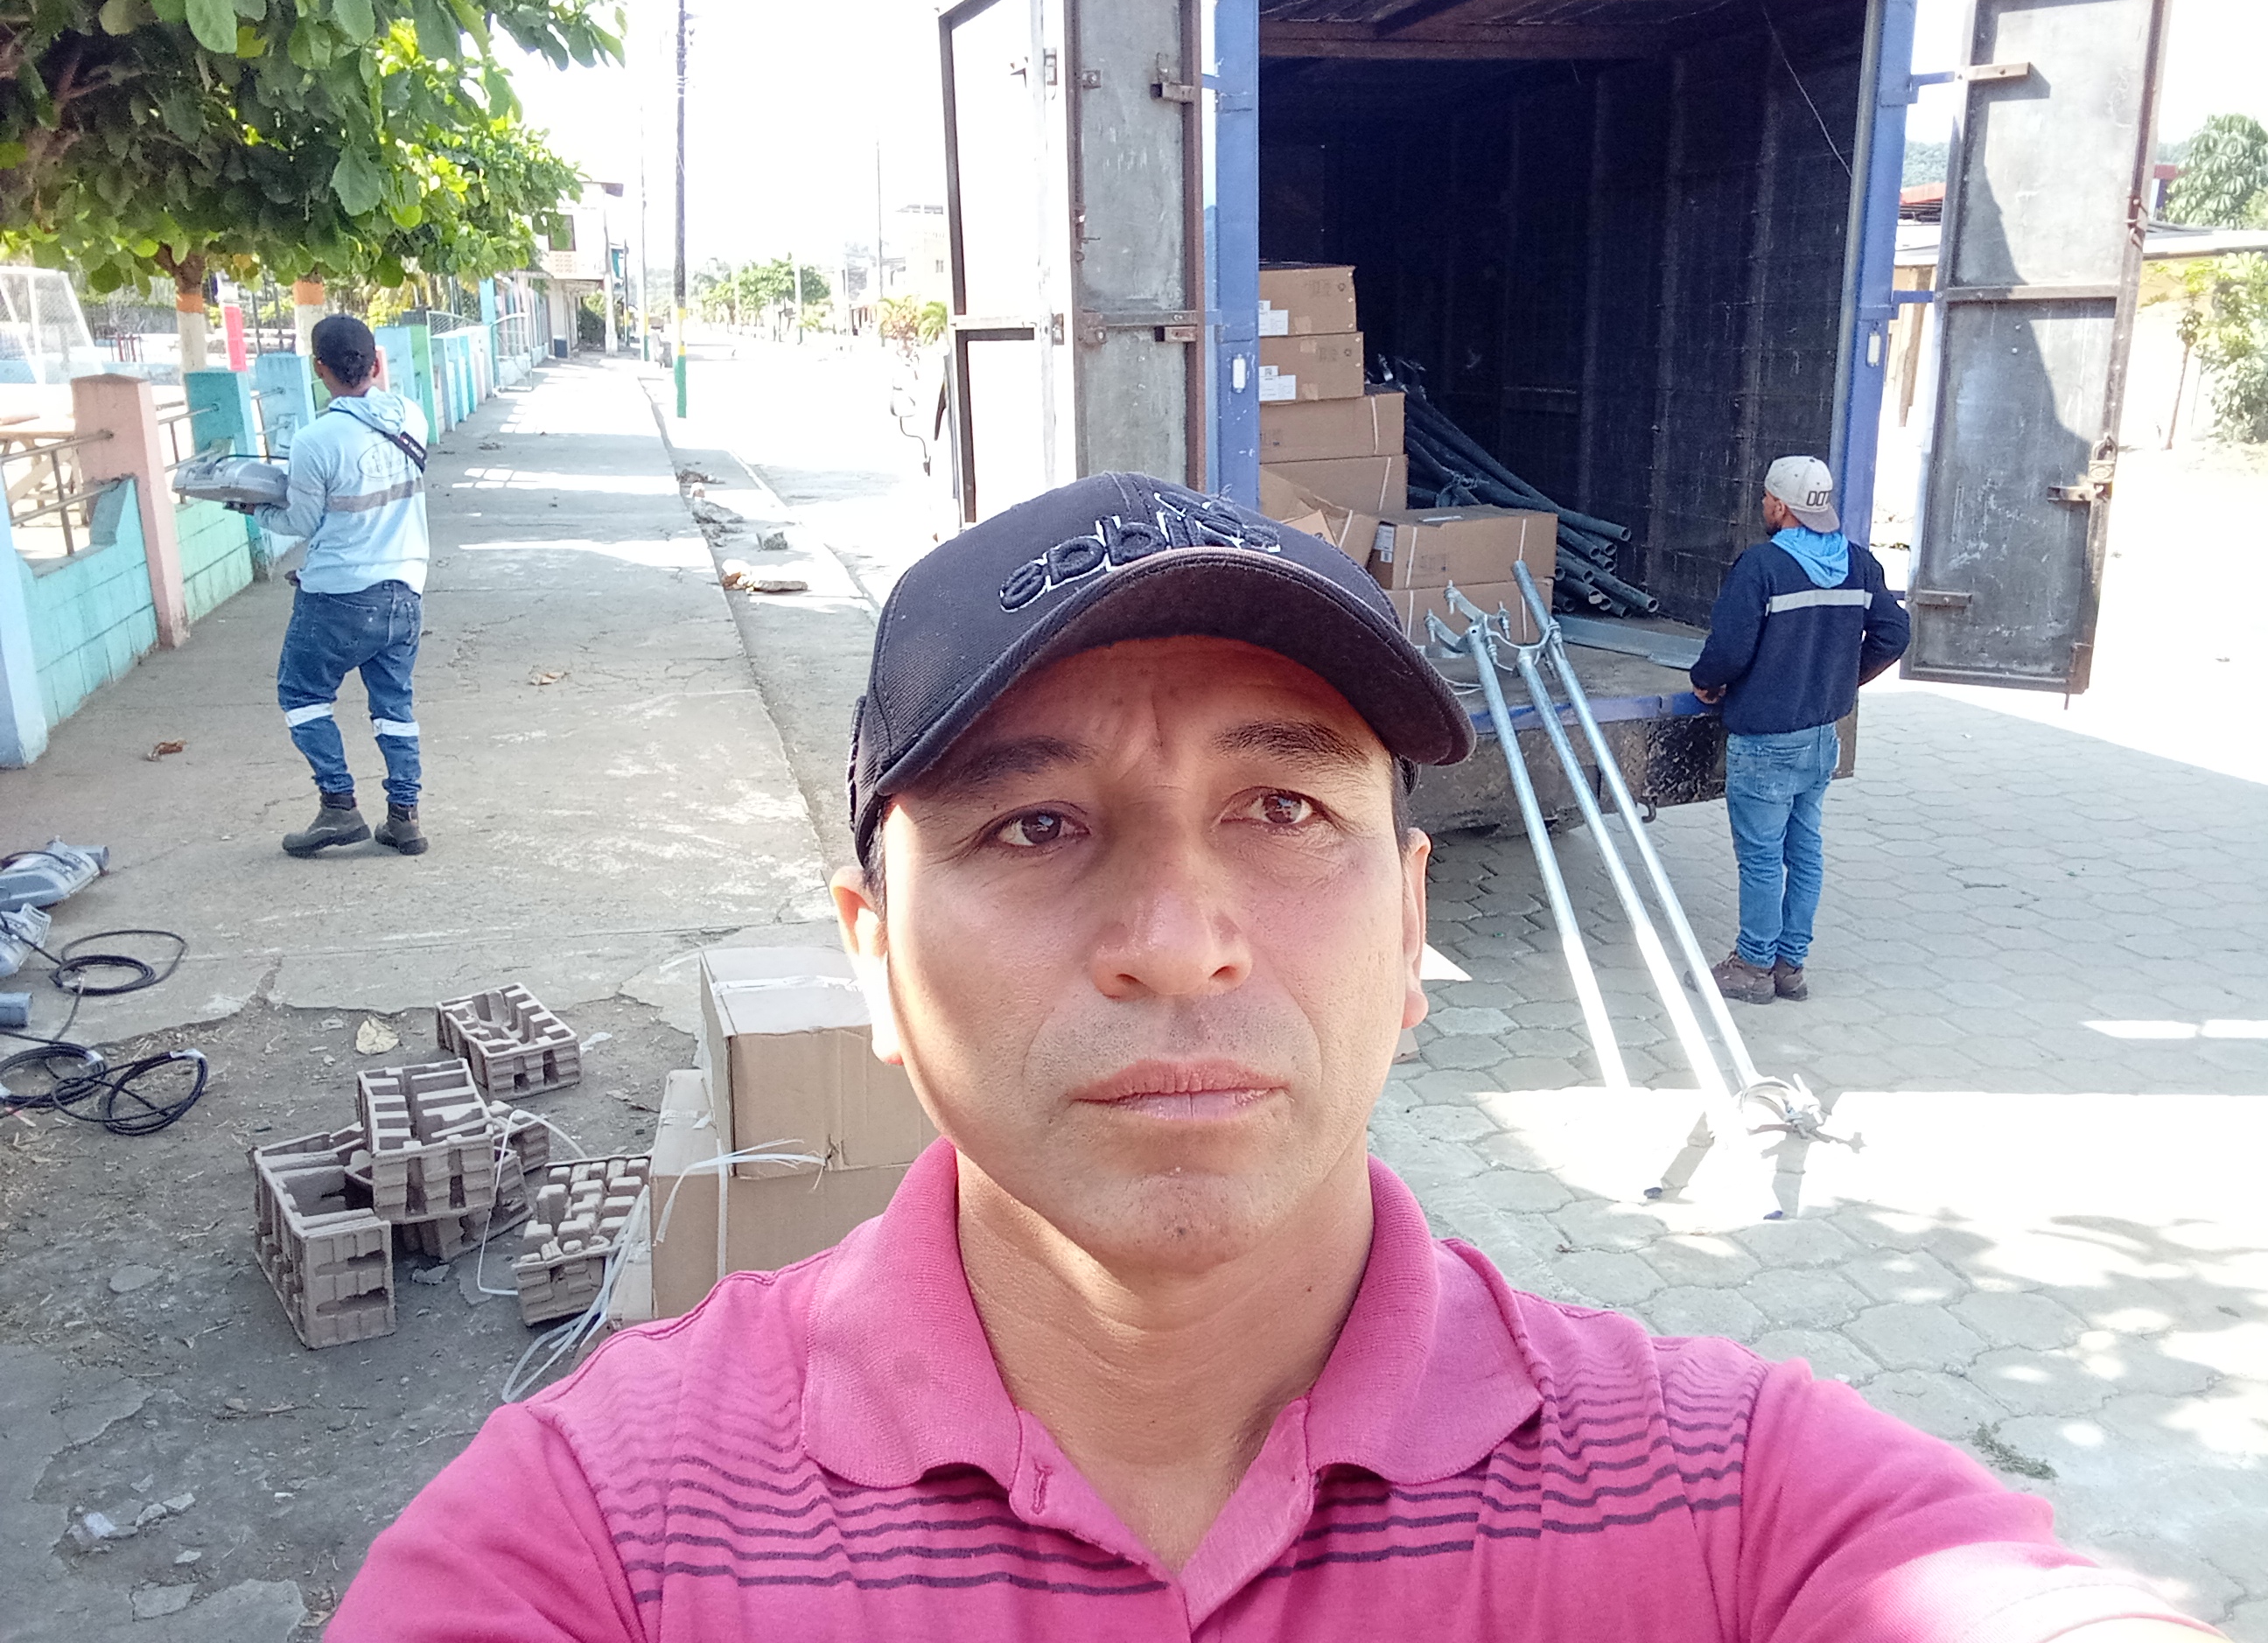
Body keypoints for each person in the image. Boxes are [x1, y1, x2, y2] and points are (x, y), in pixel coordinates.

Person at [330, 475, 2204, 1643]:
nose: (1179, 938)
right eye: (1035, 826)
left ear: (1406, 930)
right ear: (875, 959)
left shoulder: (1735, 1496)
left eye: (1285, 806)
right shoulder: (600, 1537)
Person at [1687, 455, 1910, 1005]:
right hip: (1819, 736)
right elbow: (1894, 634)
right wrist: (1843, 681)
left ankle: (1752, 965)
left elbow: (1729, 650)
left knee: (1762, 858)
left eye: (1767, 498)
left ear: (1782, 507)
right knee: (1804, 852)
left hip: (1766, 742)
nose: (1763, 505)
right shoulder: (1859, 564)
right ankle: (1790, 966)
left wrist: (1707, 682)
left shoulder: (1762, 567)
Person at [255, 314, 431, 859]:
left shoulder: (315, 440)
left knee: (303, 695)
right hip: (405, 593)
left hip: (337, 597)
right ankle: (404, 818)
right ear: (377, 362)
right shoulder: (411, 417)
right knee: (394, 706)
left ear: (319, 369)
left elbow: (302, 522)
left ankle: (338, 805)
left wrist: (255, 509)